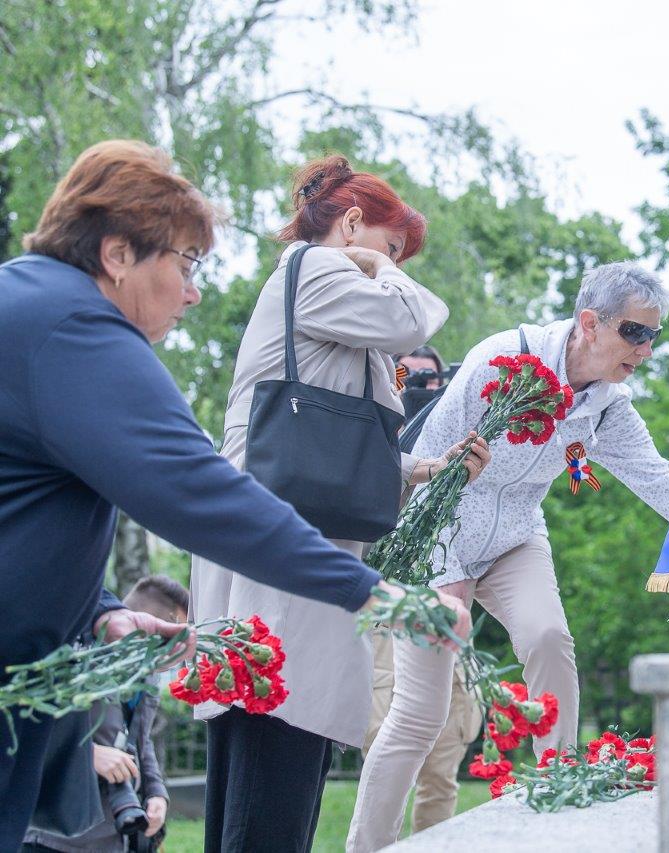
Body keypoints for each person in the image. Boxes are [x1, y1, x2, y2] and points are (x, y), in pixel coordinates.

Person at [0, 140, 468, 852]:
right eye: (187, 262)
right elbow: (199, 491)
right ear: (118, 254)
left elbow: (28, 503)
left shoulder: (32, 306)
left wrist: (100, 610)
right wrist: (379, 594)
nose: (193, 292)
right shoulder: (76, 329)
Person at [348, 261, 669, 852]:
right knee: (421, 715)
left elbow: (664, 484)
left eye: (653, 335)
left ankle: (561, 802)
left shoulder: (607, 407)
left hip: (515, 539)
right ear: (589, 323)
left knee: (549, 638)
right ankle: (367, 847)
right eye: (634, 332)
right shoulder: (502, 359)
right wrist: (442, 571)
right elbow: (425, 465)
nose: (646, 349)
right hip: (438, 537)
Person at [189, 155, 489, 853]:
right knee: (278, 732)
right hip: (285, 541)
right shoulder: (320, 268)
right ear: (351, 223)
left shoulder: (309, 284)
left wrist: (422, 468)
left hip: (278, 523)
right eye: (393, 245)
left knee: (262, 735)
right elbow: (417, 317)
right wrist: (378, 265)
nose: (394, 264)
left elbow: (335, 435)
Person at [364, 345, 483, 834]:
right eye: (406, 376)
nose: (418, 387)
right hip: (387, 614)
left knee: (442, 768)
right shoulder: (374, 436)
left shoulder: (459, 437)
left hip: (447, 615)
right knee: (388, 748)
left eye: (430, 380)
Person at [23, 576, 190, 853]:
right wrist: (88, 754)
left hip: (115, 833)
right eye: (171, 634)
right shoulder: (74, 657)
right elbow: (27, 724)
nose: (175, 648)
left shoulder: (146, 672)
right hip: (54, 833)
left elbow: (142, 739)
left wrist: (157, 794)